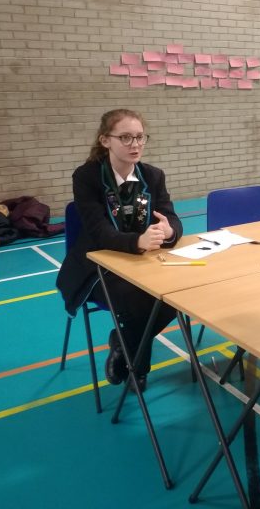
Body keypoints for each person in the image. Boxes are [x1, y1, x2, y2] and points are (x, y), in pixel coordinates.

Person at [56, 108, 183, 393]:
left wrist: (170, 231)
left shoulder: (153, 175)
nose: (134, 144)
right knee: (142, 300)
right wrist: (136, 242)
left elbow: (172, 218)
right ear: (105, 140)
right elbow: (99, 232)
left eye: (139, 137)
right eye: (125, 137)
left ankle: (123, 345)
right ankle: (138, 367)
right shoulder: (86, 177)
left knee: (176, 297)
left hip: (142, 265)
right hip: (97, 267)